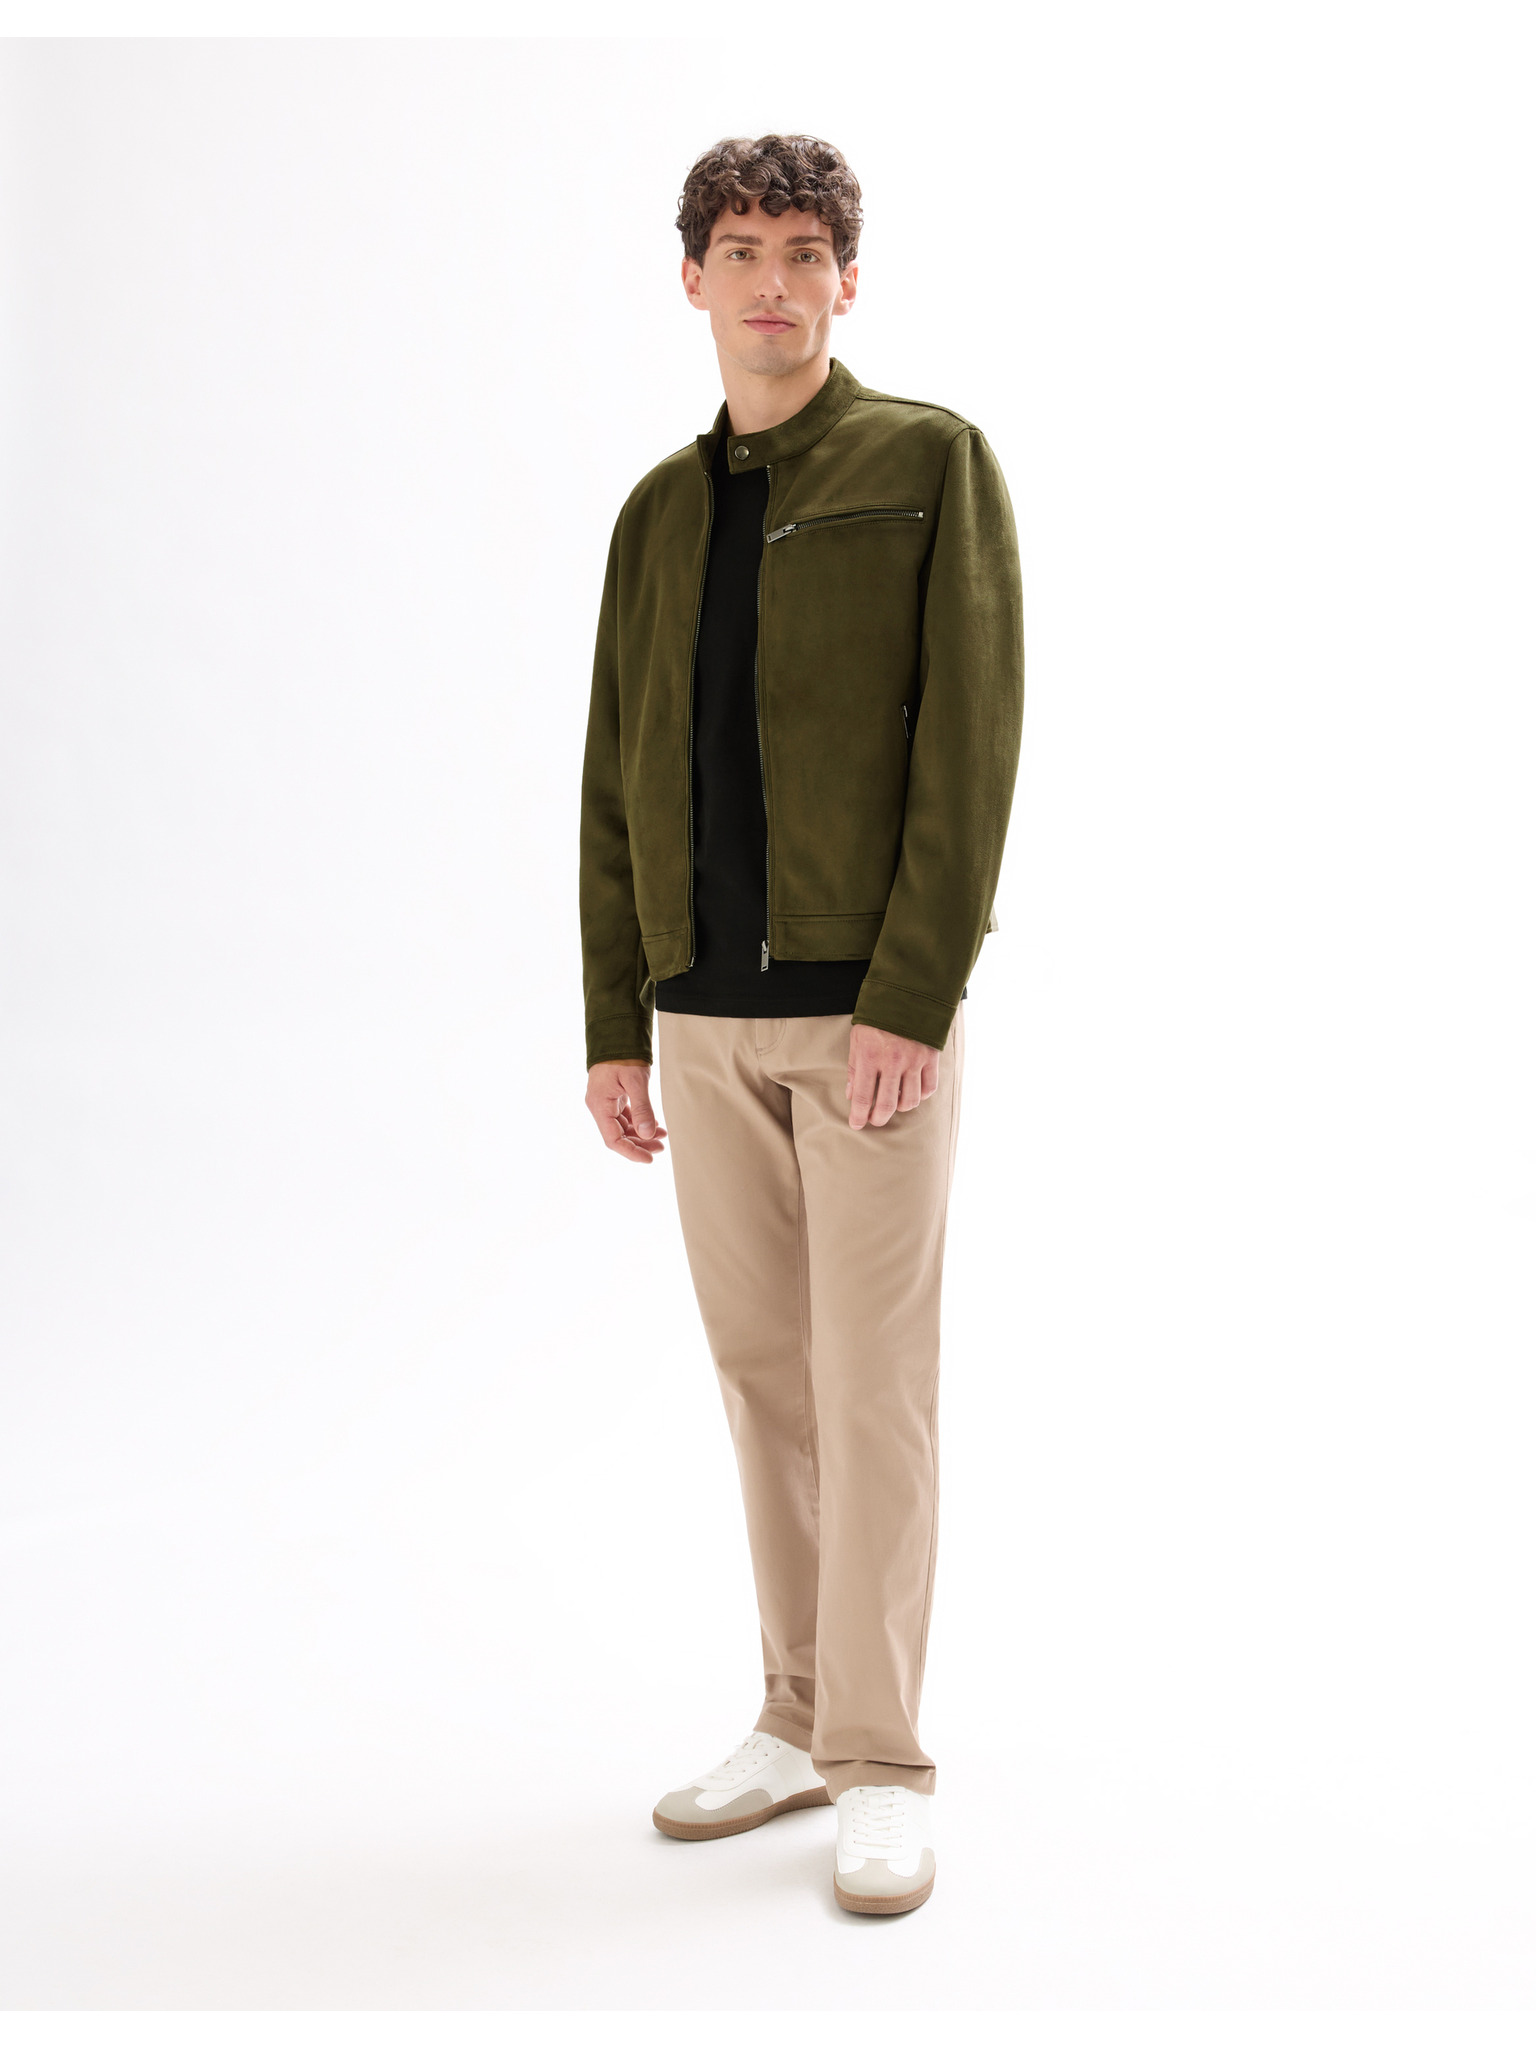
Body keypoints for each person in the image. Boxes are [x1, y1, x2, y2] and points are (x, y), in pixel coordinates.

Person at [579, 133, 1024, 1915]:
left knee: (872, 1389)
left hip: (865, 1025)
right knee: (767, 1386)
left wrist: (914, 993)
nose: (774, 283)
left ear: (850, 279)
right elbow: (613, 781)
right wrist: (617, 1019)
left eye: (805, 253)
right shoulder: (656, 514)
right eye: (743, 251)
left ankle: (883, 1758)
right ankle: (793, 1715)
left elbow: (970, 746)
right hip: (702, 1020)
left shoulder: (929, 464)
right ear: (692, 279)